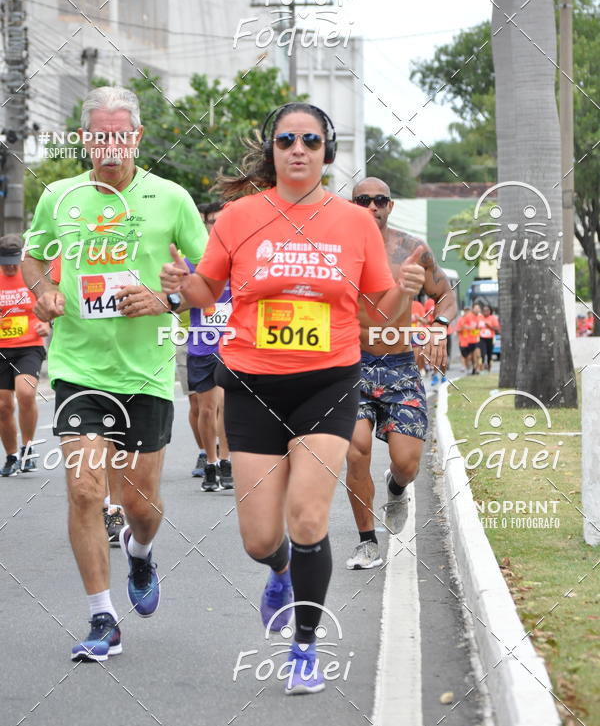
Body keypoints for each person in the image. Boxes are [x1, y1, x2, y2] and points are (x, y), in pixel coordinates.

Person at [160, 102, 425, 694]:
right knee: (260, 538)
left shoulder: (354, 223)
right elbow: (207, 288)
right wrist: (183, 288)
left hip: (328, 383)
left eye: (310, 139)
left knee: (307, 518)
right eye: (286, 140)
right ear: (273, 149)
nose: (298, 148)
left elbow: (378, 315)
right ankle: (278, 571)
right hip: (251, 385)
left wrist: (405, 293)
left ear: (326, 152)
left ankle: (304, 649)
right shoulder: (238, 216)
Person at [23, 86, 207, 662]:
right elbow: (33, 258)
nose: (109, 145)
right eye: (98, 135)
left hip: (146, 371)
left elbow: (210, 278)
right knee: (83, 491)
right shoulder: (60, 196)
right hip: (79, 368)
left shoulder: (172, 198)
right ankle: (103, 618)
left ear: (137, 137)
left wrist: (167, 300)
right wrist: (44, 289)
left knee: (140, 505)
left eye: (119, 134)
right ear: (84, 138)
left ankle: (140, 552)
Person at [344, 178, 457, 570]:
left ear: (390, 206)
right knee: (354, 449)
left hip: (399, 366)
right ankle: (366, 541)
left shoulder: (413, 251)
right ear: (353, 205)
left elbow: (446, 293)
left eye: (379, 200)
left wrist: (439, 326)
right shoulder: (335, 250)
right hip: (351, 365)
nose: (371, 206)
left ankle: (395, 490)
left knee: (407, 462)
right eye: (363, 200)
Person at [186, 201, 233, 490]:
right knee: (205, 408)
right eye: (209, 222)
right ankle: (211, 462)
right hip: (201, 343)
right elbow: (178, 303)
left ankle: (226, 461)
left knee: (225, 405)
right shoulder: (194, 262)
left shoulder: (238, 259)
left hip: (231, 342)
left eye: (219, 221)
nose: (214, 227)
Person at [0, 234, 51, 476]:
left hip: (29, 345)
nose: (10, 266)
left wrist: (47, 324)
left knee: (26, 393)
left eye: (13, 260)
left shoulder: (31, 275)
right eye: (4, 261)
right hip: (2, 347)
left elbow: (51, 303)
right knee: (2, 405)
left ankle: (28, 449)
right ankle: (11, 456)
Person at [479, 303, 500, 372]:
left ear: (490, 311)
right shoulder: (480, 317)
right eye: (484, 310)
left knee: (489, 353)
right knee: (482, 352)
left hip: (490, 338)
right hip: (481, 338)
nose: (485, 312)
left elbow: (497, 329)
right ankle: (482, 366)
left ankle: (489, 367)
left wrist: (489, 326)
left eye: (487, 310)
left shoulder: (493, 318)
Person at [456, 306, 477, 373]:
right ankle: (465, 367)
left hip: (472, 341)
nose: (467, 312)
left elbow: (476, 329)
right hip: (463, 341)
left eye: (468, 310)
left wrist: (470, 328)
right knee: (464, 355)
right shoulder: (461, 319)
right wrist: (463, 328)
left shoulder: (473, 319)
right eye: (465, 311)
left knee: (471, 355)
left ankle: (471, 367)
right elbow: (458, 330)